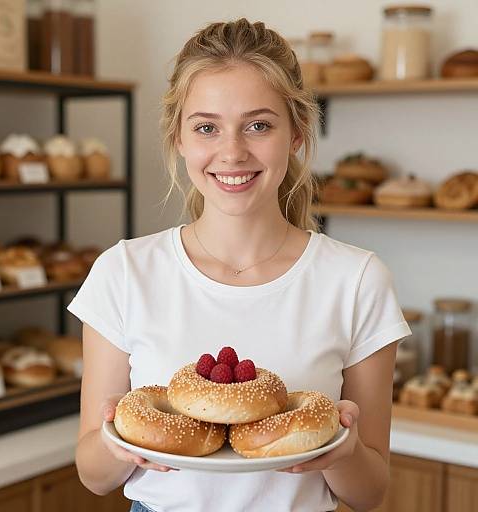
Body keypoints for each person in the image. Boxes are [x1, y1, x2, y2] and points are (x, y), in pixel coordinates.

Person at [67, 18, 411, 512]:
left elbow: (371, 491)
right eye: (206, 127)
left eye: (258, 125)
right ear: (179, 138)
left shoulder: (356, 279)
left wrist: (344, 450)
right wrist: (116, 443)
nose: (231, 152)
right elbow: (93, 475)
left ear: (295, 133)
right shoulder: (123, 271)